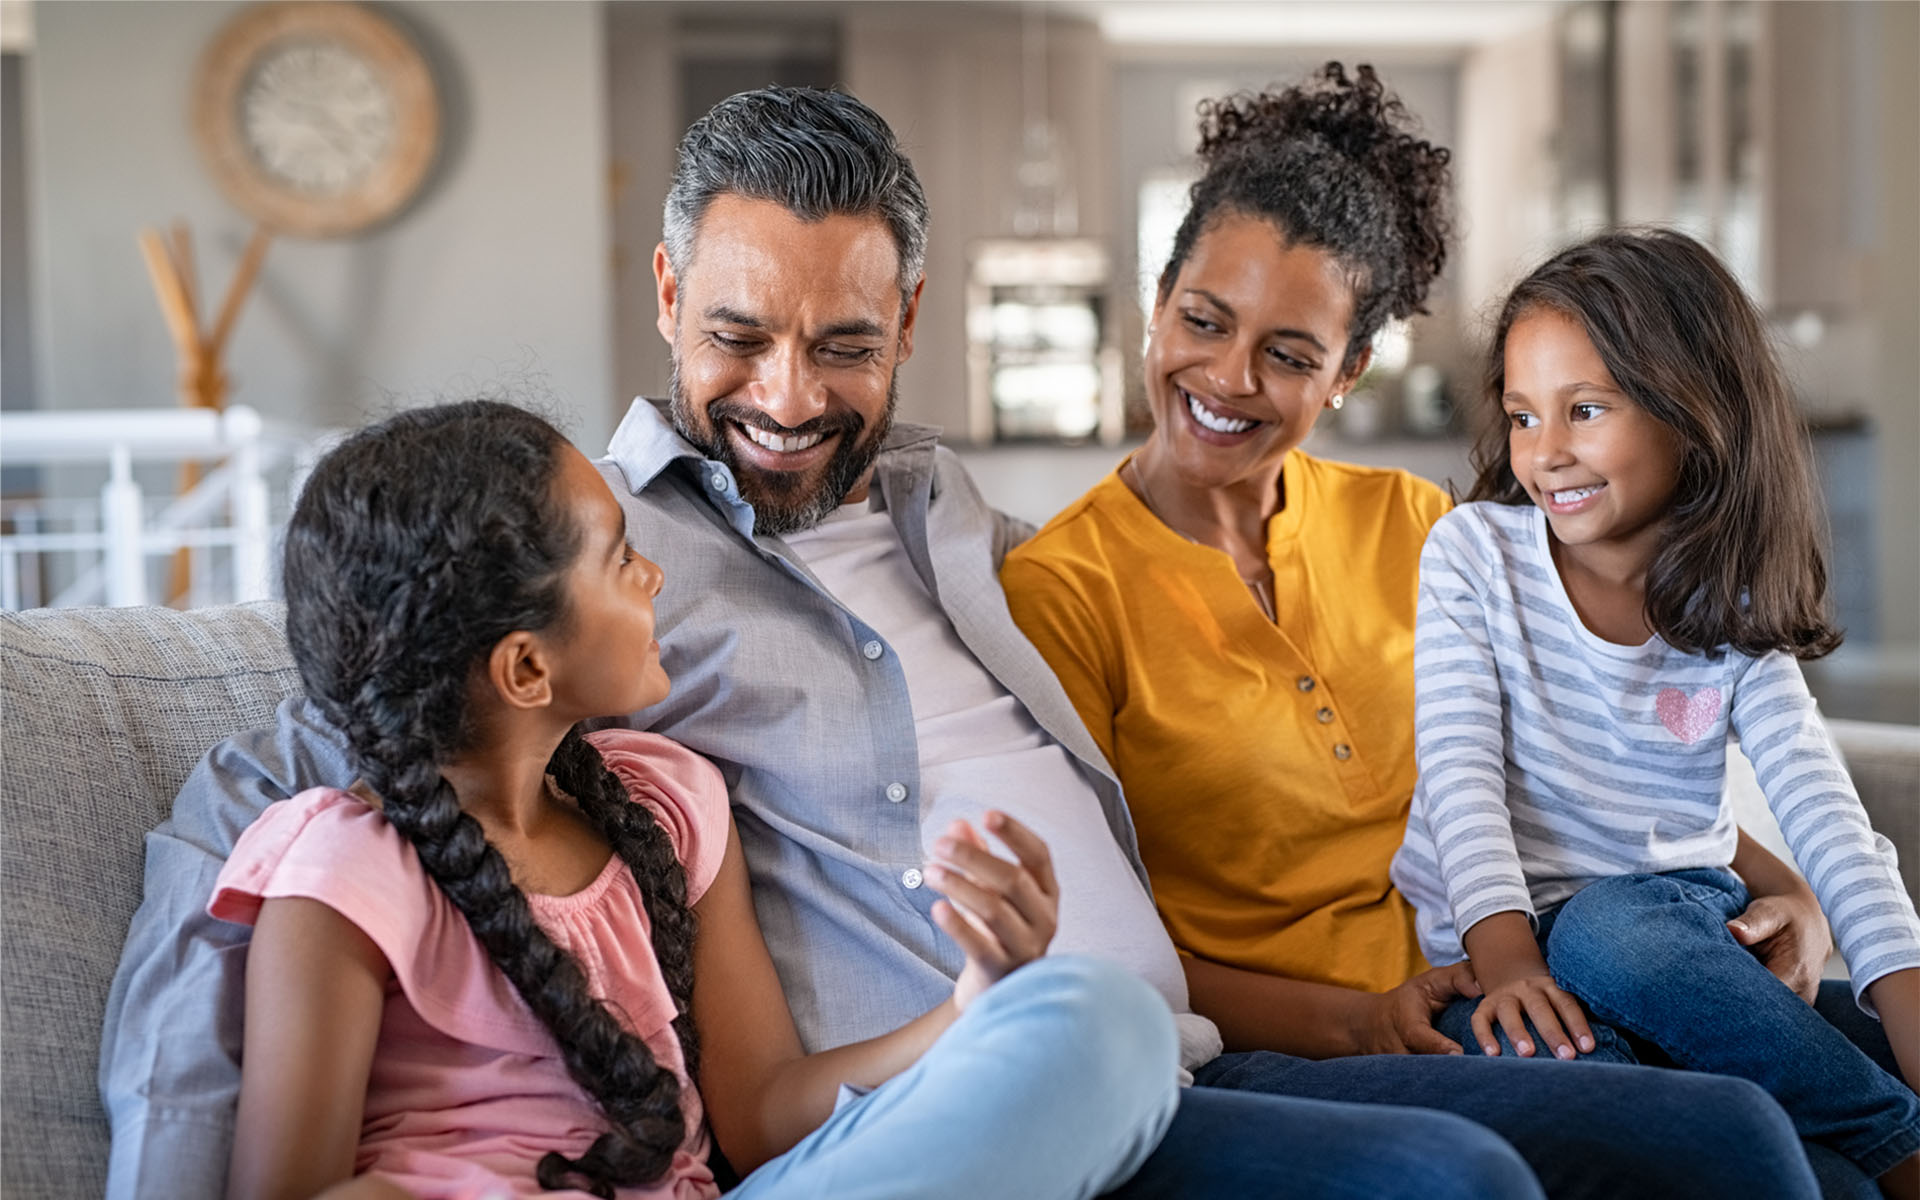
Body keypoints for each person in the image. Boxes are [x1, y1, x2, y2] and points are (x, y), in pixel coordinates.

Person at [105, 85, 1815, 1200]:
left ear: (912, 321)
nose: (786, 398)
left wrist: (1737, 849)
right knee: (1456, 1190)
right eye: (736, 336)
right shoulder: (577, 577)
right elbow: (300, 766)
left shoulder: (958, 525)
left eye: (845, 343)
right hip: (957, 1103)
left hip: (1196, 1062)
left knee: (1727, 1142)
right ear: (660, 294)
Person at [999, 65, 1868, 1191]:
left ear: (1351, 371)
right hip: (1306, 1046)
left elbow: (1584, 760)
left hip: (1537, 968)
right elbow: (1104, 952)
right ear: (1155, 304)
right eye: (1203, 322)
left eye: (1291, 353)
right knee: (1755, 1145)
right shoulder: (1061, 587)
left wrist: (1781, 886)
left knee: (1862, 1067)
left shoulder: (1416, 525)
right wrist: (1362, 1019)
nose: (1227, 378)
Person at [210, 398, 1179, 1200]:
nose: (656, 578)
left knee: (1099, 1021)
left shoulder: (667, 805)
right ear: (526, 667)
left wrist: (974, 1003)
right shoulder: (343, 872)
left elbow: (761, 1121)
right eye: (621, 560)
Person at [1387, 228, 1920, 1194]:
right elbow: (1459, 773)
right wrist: (1506, 961)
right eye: (1520, 416)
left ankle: (1895, 1138)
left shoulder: (1731, 609)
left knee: (1611, 933)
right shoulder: (1473, 556)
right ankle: (1881, 1144)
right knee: (1617, 1097)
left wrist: (1903, 985)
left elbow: (1825, 815)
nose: (1545, 454)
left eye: (1585, 410)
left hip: (1663, 939)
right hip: (1502, 956)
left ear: (1693, 413)